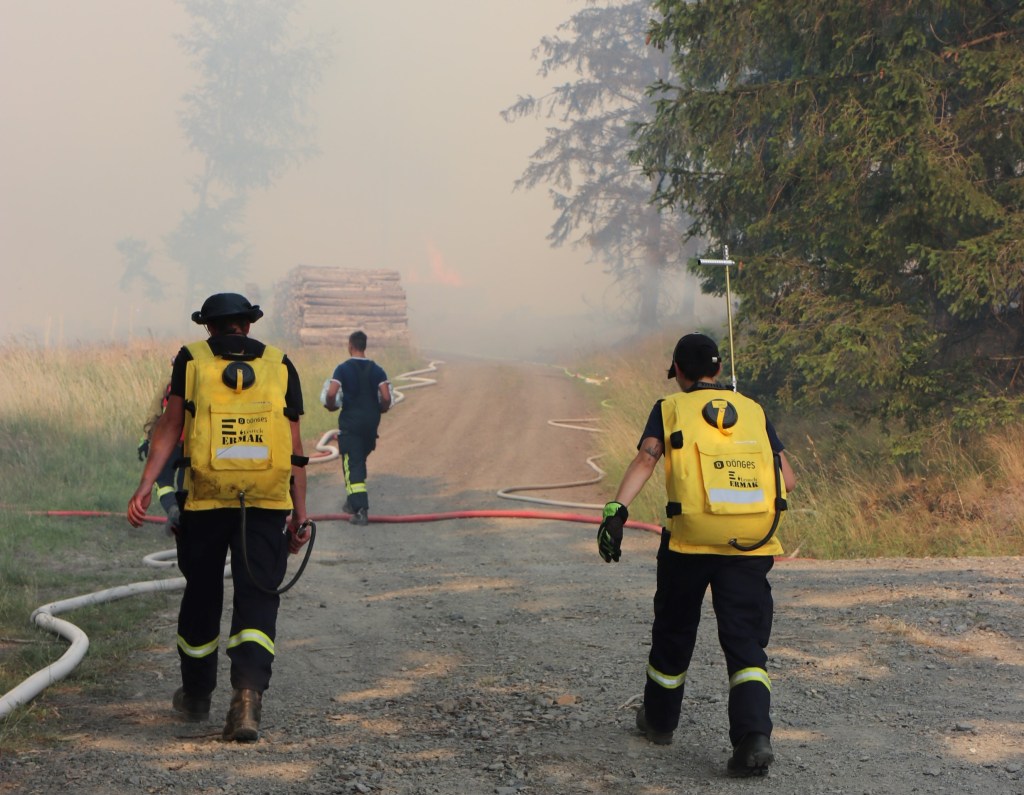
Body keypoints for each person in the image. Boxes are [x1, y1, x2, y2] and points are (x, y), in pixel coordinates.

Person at [596, 333, 796, 777]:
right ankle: (753, 736)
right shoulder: (753, 409)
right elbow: (788, 479)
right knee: (745, 641)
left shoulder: (670, 408)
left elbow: (647, 460)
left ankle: (660, 722)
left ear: (679, 373)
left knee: (674, 628)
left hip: (688, 541)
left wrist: (617, 509)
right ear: (719, 370)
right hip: (750, 543)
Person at [127, 292, 311, 743]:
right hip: (266, 502)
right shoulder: (280, 364)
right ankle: (247, 701)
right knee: (258, 597)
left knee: (202, 594)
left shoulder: (191, 360)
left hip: (205, 501)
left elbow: (171, 426)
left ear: (208, 327)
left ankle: (196, 695)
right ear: (247, 325)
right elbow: (294, 449)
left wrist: (147, 483)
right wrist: (300, 515)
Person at [323, 330, 392, 526]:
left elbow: (332, 393)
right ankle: (352, 501)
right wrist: (382, 409)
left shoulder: (342, 369)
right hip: (371, 423)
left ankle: (361, 510)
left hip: (351, 424)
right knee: (358, 461)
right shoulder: (377, 370)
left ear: (351, 346)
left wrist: (330, 405)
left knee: (352, 465)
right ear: (364, 346)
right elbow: (386, 397)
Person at [137, 358, 185, 535]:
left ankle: (173, 510)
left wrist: (145, 439)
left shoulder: (168, 385)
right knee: (186, 487)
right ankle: (182, 518)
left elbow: (154, 412)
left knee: (163, 481)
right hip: (194, 446)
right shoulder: (203, 386)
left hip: (170, 442)